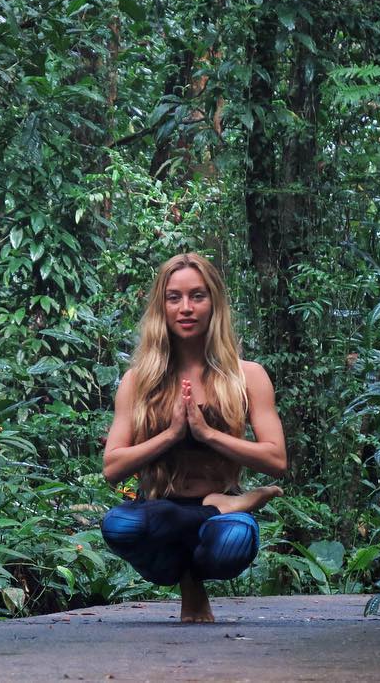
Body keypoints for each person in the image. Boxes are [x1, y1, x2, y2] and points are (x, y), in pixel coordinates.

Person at [101, 252, 287, 622]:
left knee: (235, 541)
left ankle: (216, 515)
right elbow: (112, 468)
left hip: (217, 526)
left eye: (197, 296)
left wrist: (206, 433)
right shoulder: (138, 381)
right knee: (117, 526)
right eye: (174, 298)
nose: (186, 308)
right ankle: (218, 508)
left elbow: (276, 460)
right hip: (157, 512)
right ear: (162, 307)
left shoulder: (248, 376)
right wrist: (172, 434)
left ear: (213, 303)